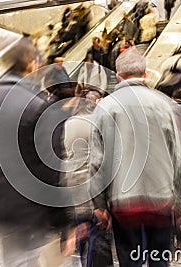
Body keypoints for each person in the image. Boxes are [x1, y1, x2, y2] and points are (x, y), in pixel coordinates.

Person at [89, 46, 181, 267]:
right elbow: (177, 157)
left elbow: (96, 163)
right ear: (145, 74)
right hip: (160, 201)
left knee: (129, 261)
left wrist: (100, 204)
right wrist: (178, 201)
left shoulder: (105, 108)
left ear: (118, 76)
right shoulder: (164, 104)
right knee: (159, 261)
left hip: (124, 204)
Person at [0, 38, 69, 266]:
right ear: (31, 63)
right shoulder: (36, 103)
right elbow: (49, 164)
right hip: (30, 206)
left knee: (13, 259)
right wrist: (62, 220)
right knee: (31, 258)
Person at [62, 86, 113, 267]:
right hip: (93, 188)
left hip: (73, 186)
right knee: (96, 234)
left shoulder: (70, 122)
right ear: (97, 102)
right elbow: (103, 160)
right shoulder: (98, 123)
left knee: (82, 234)